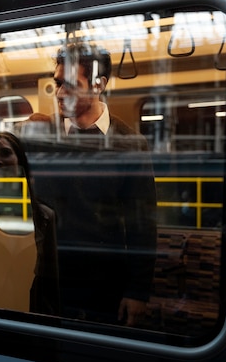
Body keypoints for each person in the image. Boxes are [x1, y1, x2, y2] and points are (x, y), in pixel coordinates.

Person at [37, 43, 157, 325]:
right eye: (57, 83)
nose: (60, 93)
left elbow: (142, 225)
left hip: (104, 286)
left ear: (98, 85)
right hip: (50, 280)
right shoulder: (42, 134)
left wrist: (138, 291)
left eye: (70, 84)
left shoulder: (129, 145)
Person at [0, 131, 60, 315]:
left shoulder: (44, 217)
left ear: (20, 161)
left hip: (28, 314)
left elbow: (49, 284)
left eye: (5, 153)